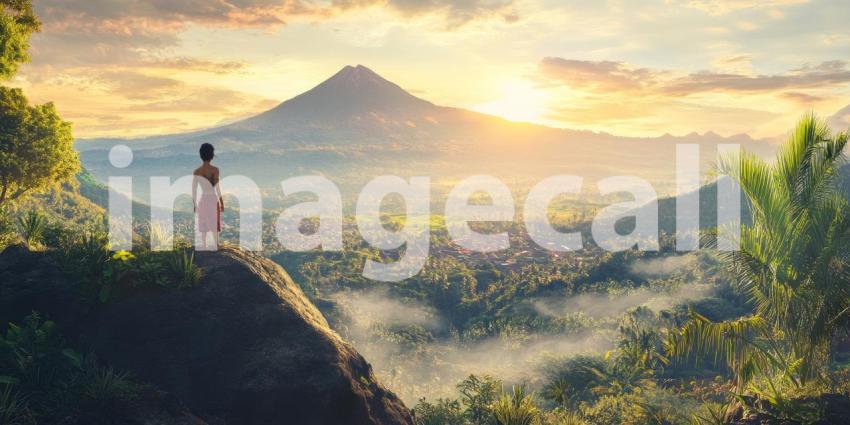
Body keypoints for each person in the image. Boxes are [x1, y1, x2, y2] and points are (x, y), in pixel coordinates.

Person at [192, 143, 223, 250]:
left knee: (204, 222)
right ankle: (216, 244)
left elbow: (194, 190)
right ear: (212, 155)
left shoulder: (196, 171)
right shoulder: (215, 170)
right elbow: (218, 188)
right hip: (213, 199)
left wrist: (195, 204)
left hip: (203, 199)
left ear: (201, 155)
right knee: (214, 222)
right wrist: (222, 202)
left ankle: (204, 245)